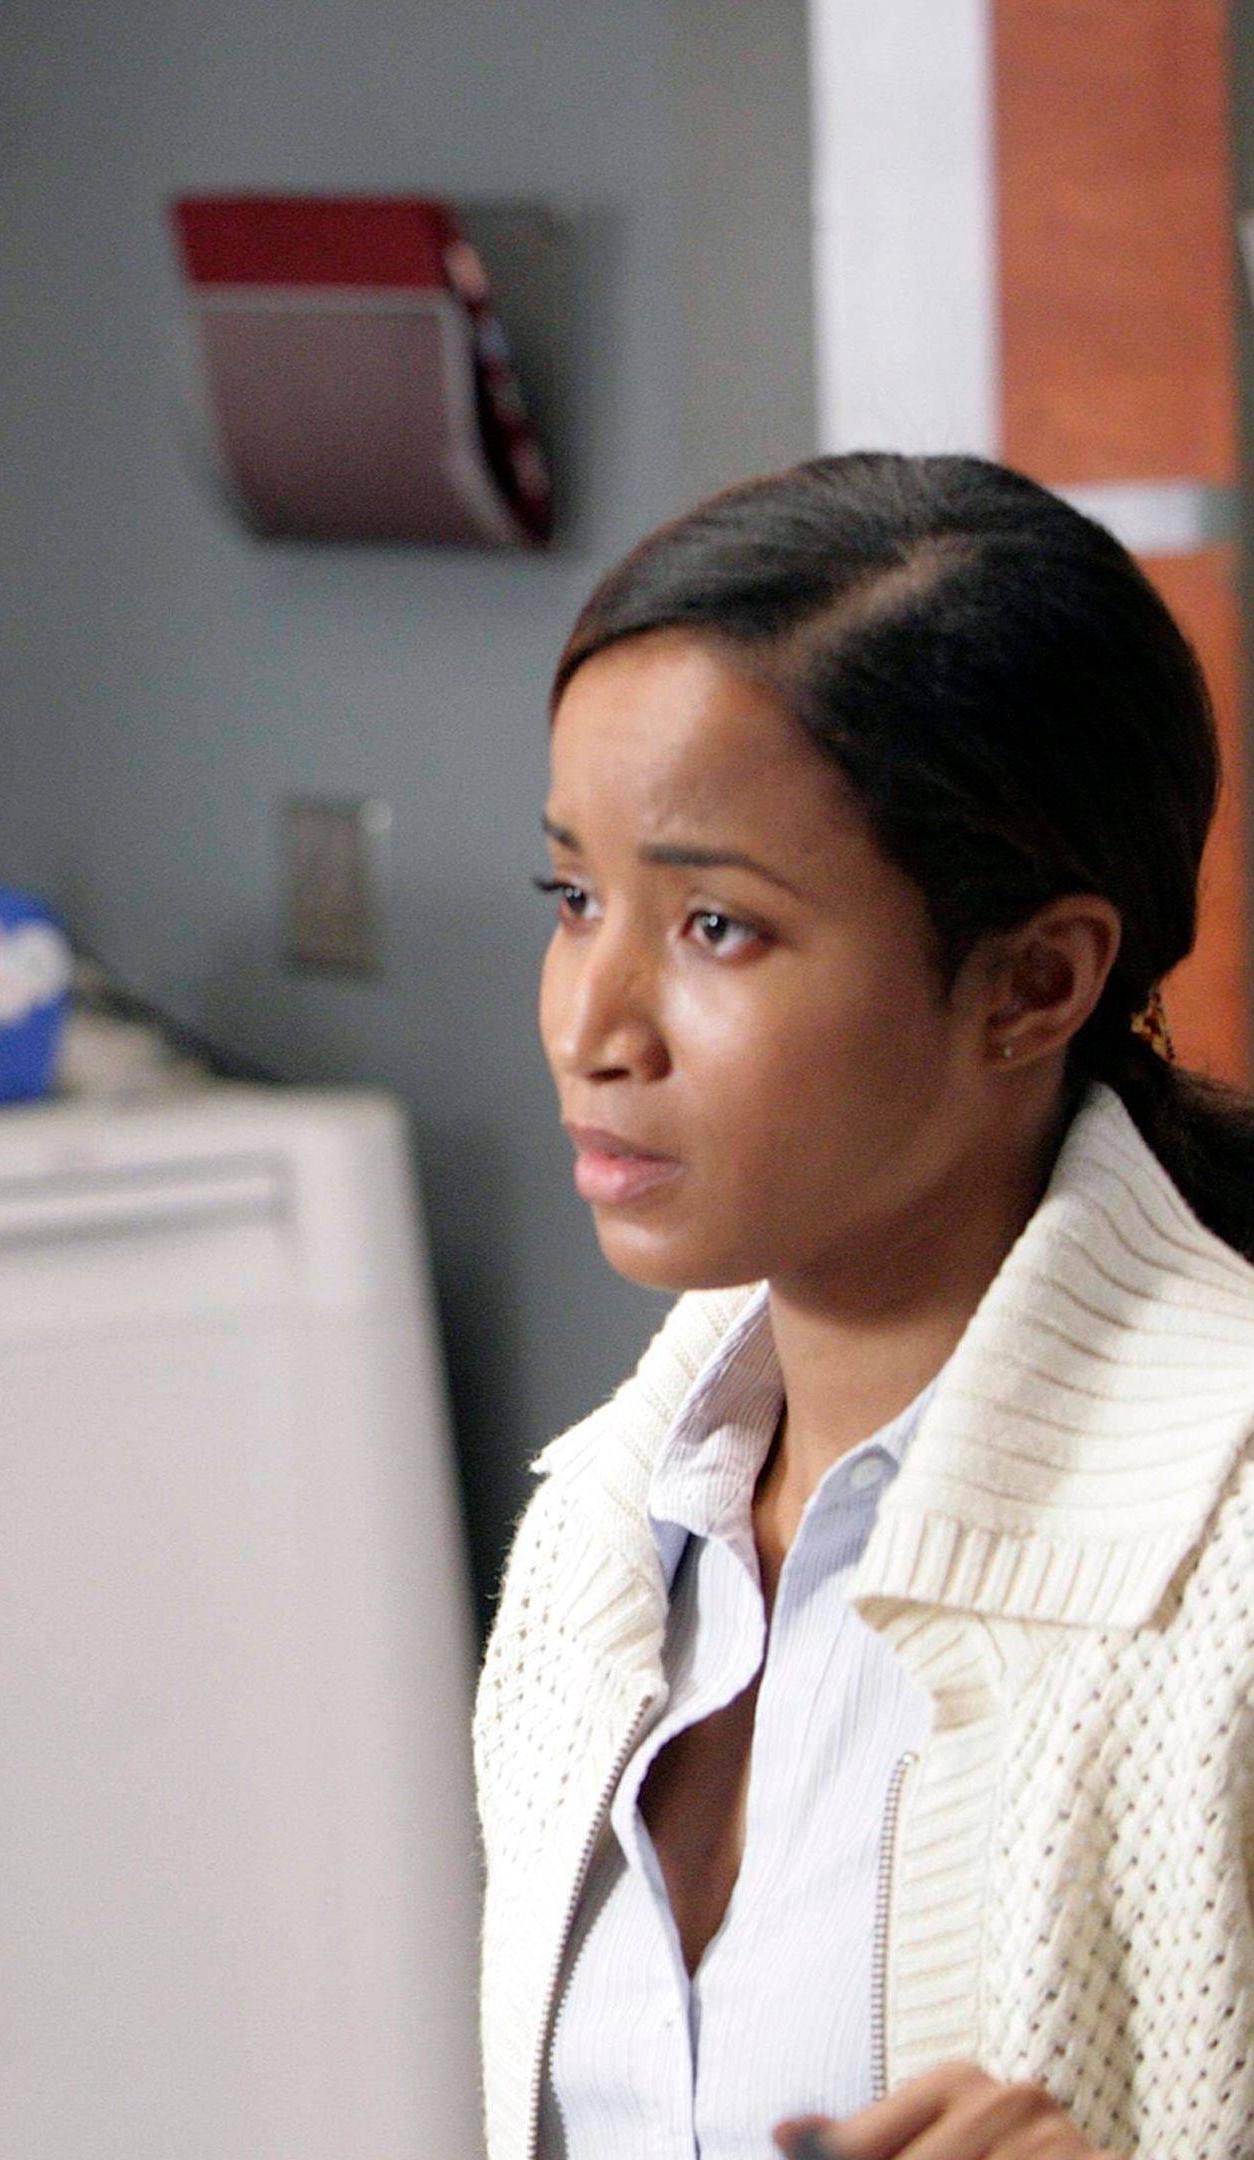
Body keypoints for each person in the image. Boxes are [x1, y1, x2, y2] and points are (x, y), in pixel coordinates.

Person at [477, 450, 1254, 2160]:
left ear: (1034, 982)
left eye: (716, 927)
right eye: (575, 899)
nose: (593, 1025)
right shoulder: (600, 1541)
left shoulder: (1231, 1563)